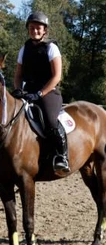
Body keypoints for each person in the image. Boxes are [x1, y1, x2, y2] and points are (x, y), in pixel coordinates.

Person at [12, 11, 70, 173]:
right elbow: (18, 75)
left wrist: (40, 94)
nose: (34, 30)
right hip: (27, 91)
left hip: (48, 92)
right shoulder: (24, 49)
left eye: (38, 28)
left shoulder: (51, 48)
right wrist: (17, 89)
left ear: (45, 30)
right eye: (31, 28)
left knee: (50, 120)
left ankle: (61, 155)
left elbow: (57, 76)